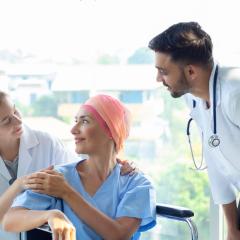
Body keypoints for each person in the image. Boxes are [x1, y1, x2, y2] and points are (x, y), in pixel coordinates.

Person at [3, 94, 156, 240]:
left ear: (111, 130)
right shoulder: (58, 176)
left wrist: (67, 192)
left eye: (84, 121)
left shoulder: (138, 184)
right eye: (75, 121)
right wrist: (51, 215)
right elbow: (10, 220)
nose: (73, 130)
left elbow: (118, 235)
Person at [148, 21, 240, 240]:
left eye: (163, 72)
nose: (158, 79)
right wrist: (232, 229)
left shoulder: (234, 93)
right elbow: (215, 159)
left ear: (190, 71)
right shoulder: (193, 98)